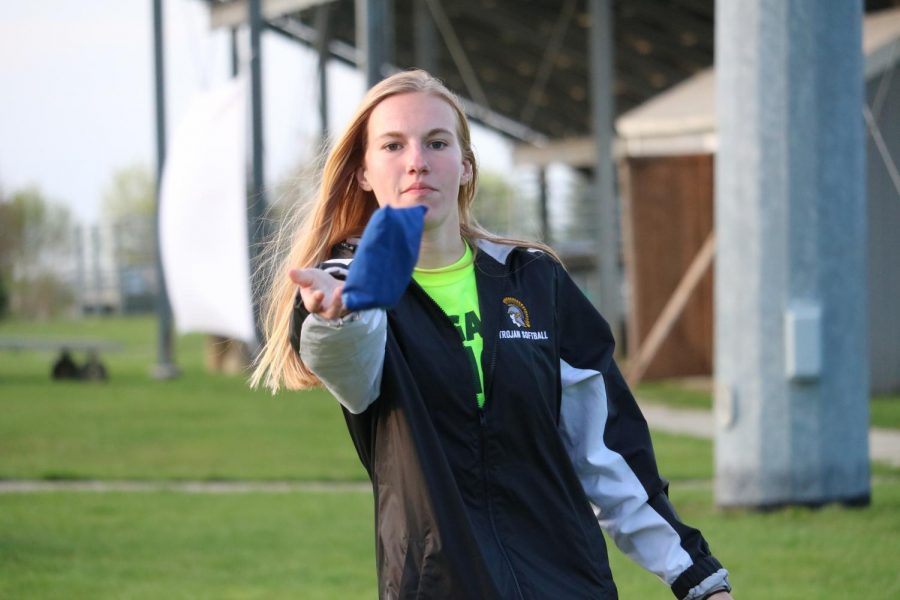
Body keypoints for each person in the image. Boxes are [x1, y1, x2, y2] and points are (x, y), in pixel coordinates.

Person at [252, 69, 733, 599]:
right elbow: (350, 361)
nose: (417, 160)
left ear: (465, 166)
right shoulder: (350, 291)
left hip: (570, 584)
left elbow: (607, 452)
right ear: (364, 172)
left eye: (437, 142)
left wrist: (697, 578)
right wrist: (335, 314)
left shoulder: (533, 280)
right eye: (393, 145)